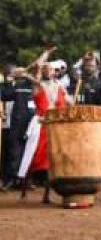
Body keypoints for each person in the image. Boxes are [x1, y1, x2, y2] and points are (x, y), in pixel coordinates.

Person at [18, 61, 67, 203]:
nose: (48, 71)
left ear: (54, 72)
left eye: (50, 69)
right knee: (33, 156)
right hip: (40, 125)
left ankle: (47, 194)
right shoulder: (38, 85)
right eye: (45, 69)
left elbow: (65, 102)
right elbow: (36, 82)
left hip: (54, 125)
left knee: (52, 160)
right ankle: (24, 187)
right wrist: (28, 73)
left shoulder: (59, 87)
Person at [1, 66, 34, 190]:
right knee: (14, 151)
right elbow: (4, 95)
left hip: (31, 122)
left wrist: (26, 75)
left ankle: (26, 180)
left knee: (29, 151)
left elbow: (38, 84)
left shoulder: (31, 83)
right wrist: (9, 81)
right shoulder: (14, 86)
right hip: (16, 123)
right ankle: (12, 179)